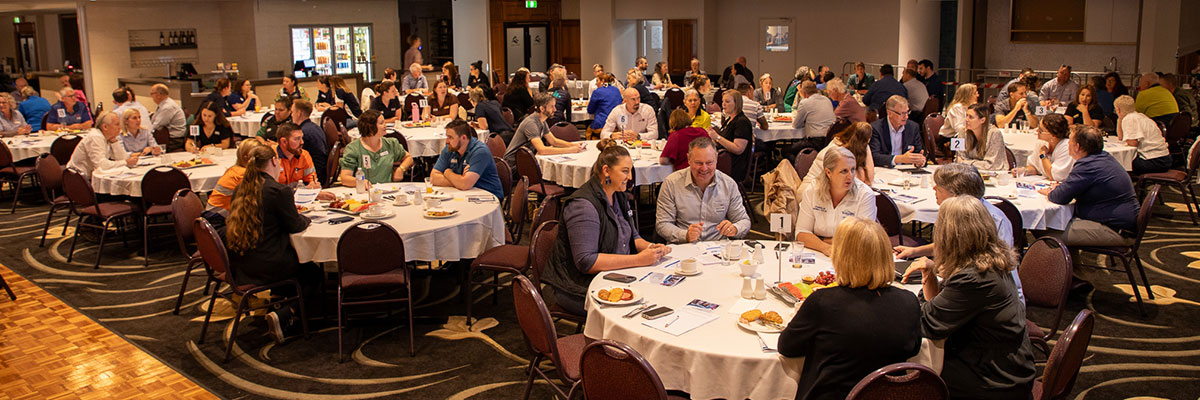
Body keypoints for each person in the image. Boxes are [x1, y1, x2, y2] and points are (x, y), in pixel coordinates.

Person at [901, 196, 1034, 400]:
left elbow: (928, 324)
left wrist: (895, 303)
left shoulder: (974, 278)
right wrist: (930, 275)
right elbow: (939, 306)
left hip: (993, 380)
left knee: (908, 383)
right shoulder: (989, 259)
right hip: (1004, 363)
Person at [780, 216, 921, 400]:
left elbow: (787, 347)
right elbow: (913, 349)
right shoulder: (909, 301)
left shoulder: (823, 302)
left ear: (842, 256)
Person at [543, 141, 671, 315]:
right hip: (579, 287)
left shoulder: (618, 195)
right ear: (606, 171)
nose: (630, 177)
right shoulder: (583, 206)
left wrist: (651, 248)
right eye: (625, 171)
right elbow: (586, 262)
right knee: (646, 306)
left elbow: (633, 237)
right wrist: (639, 260)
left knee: (661, 292)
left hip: (612, 276)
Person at [224, 143, 323, 343]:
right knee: (313, 272)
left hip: (242, 262)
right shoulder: (278, 191)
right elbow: (295, 224)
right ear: (274, 162)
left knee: (291, 260)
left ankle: (279, 303)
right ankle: (286, 313)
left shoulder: (240, 189)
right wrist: (308, 218)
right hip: (270, 265)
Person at [894, 163, 1026, 304]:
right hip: (968, 284)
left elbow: (993, 268)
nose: (934, 188)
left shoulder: (992, 220)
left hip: (992, 297)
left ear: (956, 195)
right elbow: (949, 244)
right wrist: (915, 251)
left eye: (939, 187)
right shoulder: (956, 214)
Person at [1038, 125, 1140, 247]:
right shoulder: (1103, 158)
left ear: (1077, 147)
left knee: (1044, 231)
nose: (1068, 144)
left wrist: (1051, 192)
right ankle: (1073, 266)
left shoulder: (1088, 166)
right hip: (1119, 223)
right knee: (1056, 224)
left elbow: (1059, 197)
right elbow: (1071, 188)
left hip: (1115, 230)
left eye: (1070, 141)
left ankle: (1067, 265)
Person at [658, 135, 751, 242]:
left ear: (716, 158)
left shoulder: (728, 184)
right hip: (684, 248)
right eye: (698, 163)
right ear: (689, 159)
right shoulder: (672, 183)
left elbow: (743, 220)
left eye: (709, 162)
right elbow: (663, 224)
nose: (704, 168)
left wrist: (735, 228)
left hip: (718, 248)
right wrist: (685, 235)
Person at [795, 147, 877, 256]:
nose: (850, 176)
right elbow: (801, 233)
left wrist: (819, 239)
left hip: (853, 256)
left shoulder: (865, 195)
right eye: (844, 171)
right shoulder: (813, 190)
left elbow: (862, 240)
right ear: (828, 172)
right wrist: (825, 248)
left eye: (853, 169)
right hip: (819, 253)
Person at [431, 120, 504, 201]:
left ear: (463, 138)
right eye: (447, 136)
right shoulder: (450, 148)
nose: (447, 141)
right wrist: (459, 180)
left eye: (451, 137)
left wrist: (447, 172)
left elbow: (465, 185)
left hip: (488, 197)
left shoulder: (480, 151)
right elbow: (433, 178)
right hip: (463, 194)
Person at [504, 92, 582, 167]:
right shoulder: (531, 123)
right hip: (514, 164)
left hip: (524, 159)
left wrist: (573, 145)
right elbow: (542, 150)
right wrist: (570, 150)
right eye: (552, 107)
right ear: (542, 108)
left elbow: (553, 141)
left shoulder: (542, 121)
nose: (555, 110)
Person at [337, 110, 412, 186]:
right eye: (381, 123)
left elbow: (408, 158)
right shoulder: (353, 148)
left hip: (388, 191)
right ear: (370, 127)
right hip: (364, 192)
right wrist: (361, 181)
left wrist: (401, 169)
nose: (385, 125)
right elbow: (345, 178)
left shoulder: (391, 143)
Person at [802, 122, 876, 190]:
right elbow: (860, 180)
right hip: (812, 192)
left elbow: (868, 180)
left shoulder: (851, 149)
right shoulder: (836, 152)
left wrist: (866, 147)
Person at [66, 112, 139, 178]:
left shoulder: (108, 137)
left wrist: (114, 142)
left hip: (89, 176)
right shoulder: (95, 137)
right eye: (117, 124)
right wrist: (125, 162)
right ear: (105, 127)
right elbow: (101, 165)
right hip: (77, 178)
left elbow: (123, 158)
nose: (120, 127)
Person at [1115, 95, 1172, 174]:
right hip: (1164, 158)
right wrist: (1120, 119)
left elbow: (1132, 144)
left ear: (1117, 109)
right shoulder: (1141, 116)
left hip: (1154, 161)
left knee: (1116, 163)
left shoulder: (1130, 119)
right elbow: (1121, 137)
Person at [708, 90, 754, 181]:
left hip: (734, 165)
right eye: (723, 101)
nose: (723, 104)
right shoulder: (729, 120)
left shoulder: (742, 122)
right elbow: (721, 143)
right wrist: (711, 137)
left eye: (727, 102)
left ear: (736, 103)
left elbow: (738, 149)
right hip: (723, 160)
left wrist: (717, 137)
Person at [868, 95, 925, 168]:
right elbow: (874, 156)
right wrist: (900, 159)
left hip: (906, 171)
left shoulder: (913, 127)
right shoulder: (876, 128)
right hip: (884, 170)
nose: (906, 116)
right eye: (902, 113)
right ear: (889, 113)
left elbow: (919, 151)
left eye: (907, 112)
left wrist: (920, 160)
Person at [1014, 114, 1074, 181]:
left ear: (1053, 135)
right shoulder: (1041, 142)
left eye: (1040, 130)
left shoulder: (1066, 147)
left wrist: (1043, 156)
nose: (1037, 131)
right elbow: (1035, 167)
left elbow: (1054, 177)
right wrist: (1024, 170)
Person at [954, 103, 1006, 171]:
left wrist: (965, 162)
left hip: (995, 175)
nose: (966, 119)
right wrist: (964, 162)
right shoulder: (962, 132)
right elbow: (958, 158)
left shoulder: (994, 134)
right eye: (966, 116)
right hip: (969, 173)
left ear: (982, 120)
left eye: (971, 117)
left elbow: (991, 165)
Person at [272, 123, 321, 189]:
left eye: (302, 138)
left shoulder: (304, 155)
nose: (302, 142)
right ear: (284, 142)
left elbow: (312, 182)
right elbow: (272, 190)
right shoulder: (270, 158)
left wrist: (312, 187)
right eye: (297, 139)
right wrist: (305, 189)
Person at [292, 99, 328, 184]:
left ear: (299, 113)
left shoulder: (303, 133)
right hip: (322, 170)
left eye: (292, 112)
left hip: (314, 174)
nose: (291, 115)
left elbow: (297, 155)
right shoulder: (314, 127)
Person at [791, 81, 836, 145]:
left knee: (785, 150)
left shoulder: (805, 103)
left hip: (815, 141)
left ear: (803, 93)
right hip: (830, 140)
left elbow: (796, 125)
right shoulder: (827, 100)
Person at [148, 84, 187, 151]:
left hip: (174, 140)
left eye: (152, 93)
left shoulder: (167, 107)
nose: (151, 96)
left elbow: (156, 126)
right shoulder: (163, 104)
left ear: (159, 95)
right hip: (169, 137)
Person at [587, 73, 623, 139]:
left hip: (602, 124)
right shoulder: (616, 90)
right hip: (617, 125)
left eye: (597, 81)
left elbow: (590, 110)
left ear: (602, 81)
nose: (596, 84)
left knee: (588, 131)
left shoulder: (597, 92)